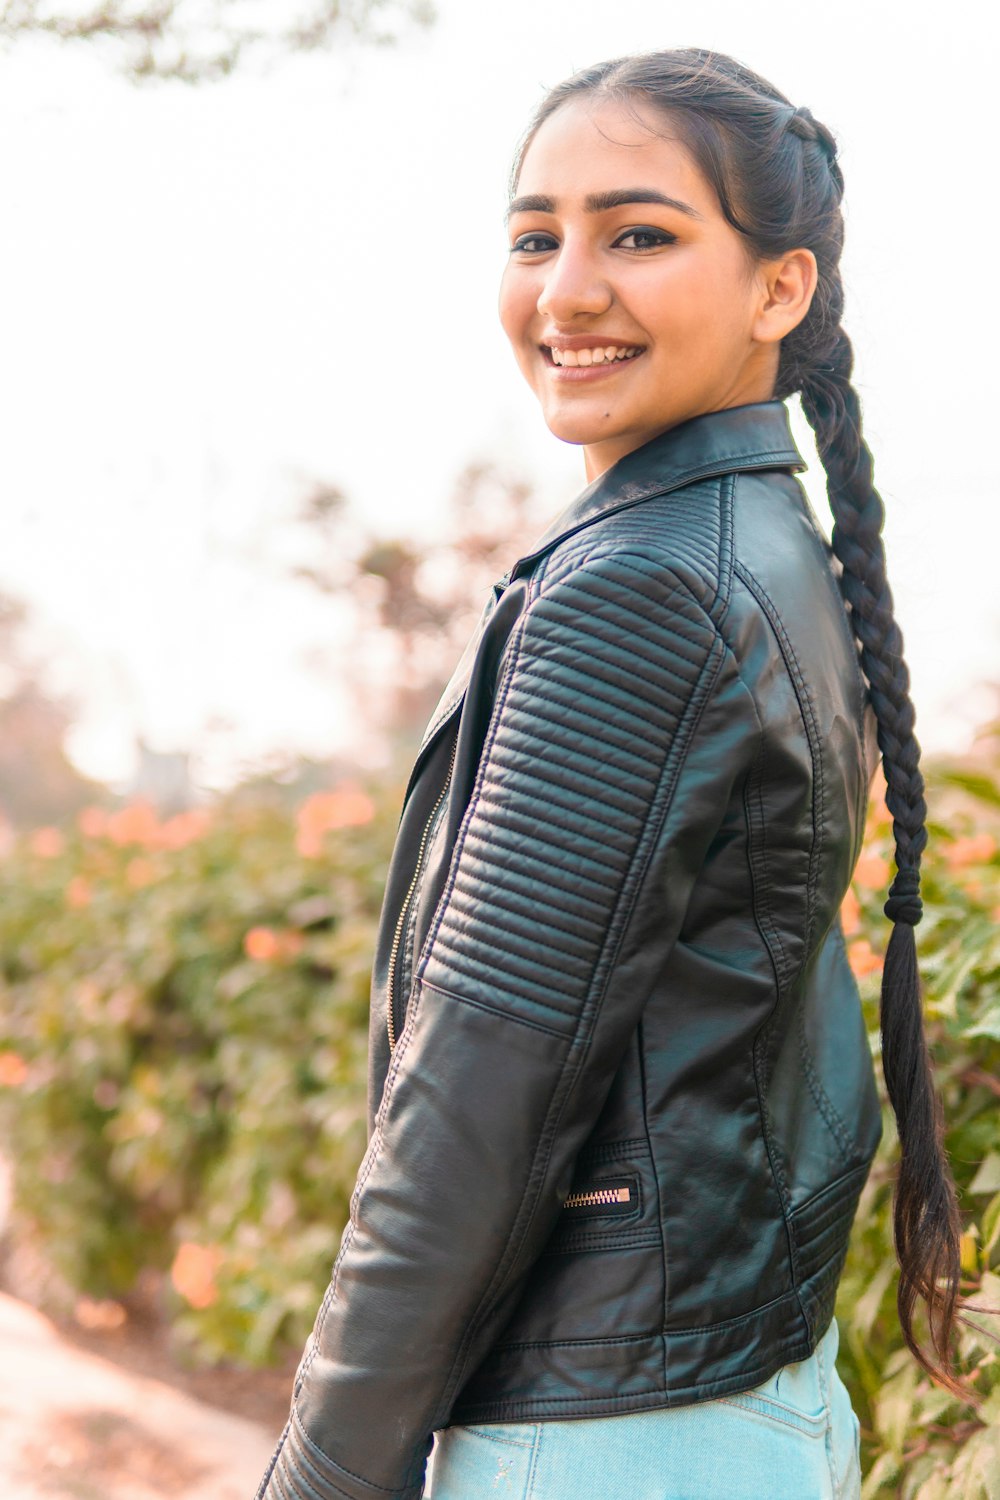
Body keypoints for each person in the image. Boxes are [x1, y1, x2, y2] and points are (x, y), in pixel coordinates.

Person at [254, 48, 965, 1500]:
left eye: (639, 234)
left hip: (598, 1442)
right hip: (733, 1401)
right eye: (537, 236)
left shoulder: (644, 589)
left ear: (781, 289)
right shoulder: (762, 546)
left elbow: (482, 1085)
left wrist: (323, 1473)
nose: (568, 288)